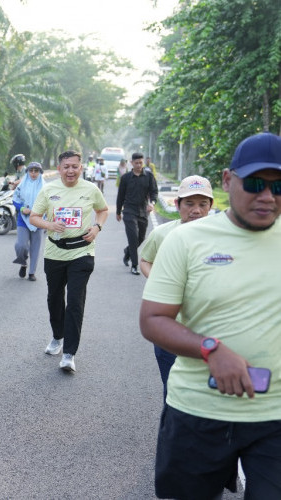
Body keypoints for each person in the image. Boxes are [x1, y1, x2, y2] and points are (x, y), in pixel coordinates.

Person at [140, 132, 281, 499]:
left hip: (275, 418)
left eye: (278, 186)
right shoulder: (185, 240)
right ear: (227, 180)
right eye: (255, 183)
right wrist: (211, 349)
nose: (267, 196)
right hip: (197, 412)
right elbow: (153, 319)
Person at [29, 150, 108, 373]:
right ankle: (57, 336)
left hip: (82, 253)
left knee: (74, 302)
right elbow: (34, 217)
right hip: (55, 252)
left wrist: (97, 227)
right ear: (59, 168)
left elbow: (102, 210)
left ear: (81, 167)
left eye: (75, 166)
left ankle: (69, 353)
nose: (70, 170)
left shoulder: (91, 190)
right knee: (54, 298)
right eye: (66, 166)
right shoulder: (49, 189)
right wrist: (49, 225)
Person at [139, 175, 214, 393]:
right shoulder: (162, 233)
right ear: (177, 203)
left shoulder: (223, 239)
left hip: (209, 330)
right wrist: (159, 283)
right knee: (172, 390)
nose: (196, 210)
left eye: (203, 204)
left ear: (211, 206)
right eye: (189, 203)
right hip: (169, 329)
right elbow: (146, 260)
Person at [116, 152, 158, 275]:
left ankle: (128, 251)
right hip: (129, 210)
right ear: (131, 163)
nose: (139, 165)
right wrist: (118, 212)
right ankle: (134, 265)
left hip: (143, 211)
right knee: (133, 237)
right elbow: (120, 196)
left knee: (141, 238)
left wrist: (152, 203)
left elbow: (154, 192)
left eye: (141, 162)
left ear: (143, 162)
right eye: (136, 163)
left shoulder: (149, 176)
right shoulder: (126, 178)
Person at [12, 161, 45, 281]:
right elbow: (15, 199)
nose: (33, 173)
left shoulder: (45, 187)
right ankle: (23, 262)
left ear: (40, 172)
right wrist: (21, 208)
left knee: (35, 247)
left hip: (39, 220)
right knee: (21, 245)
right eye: (31, 170)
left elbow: (50, 202)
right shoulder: (22, 185)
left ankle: (32, 272)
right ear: (27, 172)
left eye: (36, 171)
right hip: (23, 219)